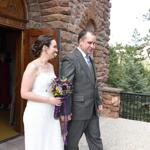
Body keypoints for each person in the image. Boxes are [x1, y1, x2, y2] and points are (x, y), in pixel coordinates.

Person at [60, 30, 103, 150]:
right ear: (80, 41)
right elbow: (65, 86)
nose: (93, 46)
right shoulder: (70, 59)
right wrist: (65, 111)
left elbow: (94, 84)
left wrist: (98, 102)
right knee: (71, 144)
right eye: (90, 43)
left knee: (96, 140)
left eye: (94, 43)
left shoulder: (90, 59)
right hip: (77, 111)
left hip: (92, 110)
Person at [20, 35, 64, 150]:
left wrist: (60, 91)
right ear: (45, 48)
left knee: (53, 144)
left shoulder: (50, 66)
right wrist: (49, 100)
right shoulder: (32, 67)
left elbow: (50, 87)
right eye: (54, 47)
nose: (56, 49)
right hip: (36, 114)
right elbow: (24, 93)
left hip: (50, 113)